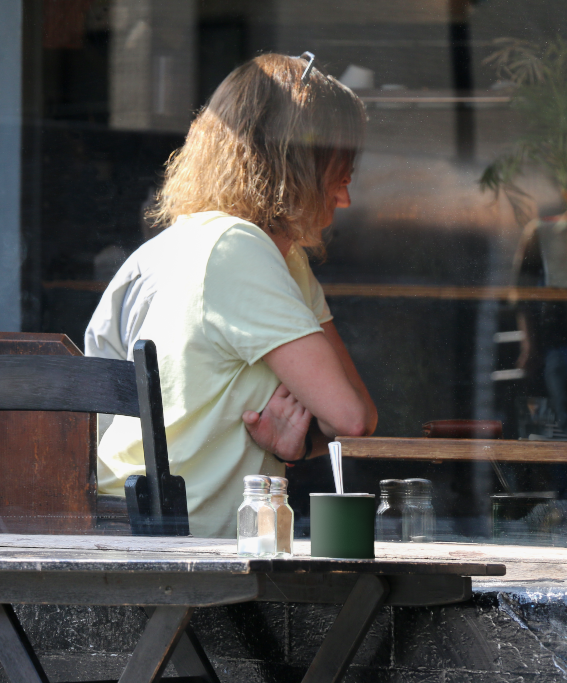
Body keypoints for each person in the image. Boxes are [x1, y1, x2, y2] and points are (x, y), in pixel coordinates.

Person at [84, 53, 377, 538]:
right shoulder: (236, 249)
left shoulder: (177, 247)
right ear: (295, 163)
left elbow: (356, 417)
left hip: (134, 522)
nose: (345, 198)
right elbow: (349, 415)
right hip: (170, 539)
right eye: (339, 173)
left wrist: (296, 445)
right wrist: (313, 428)